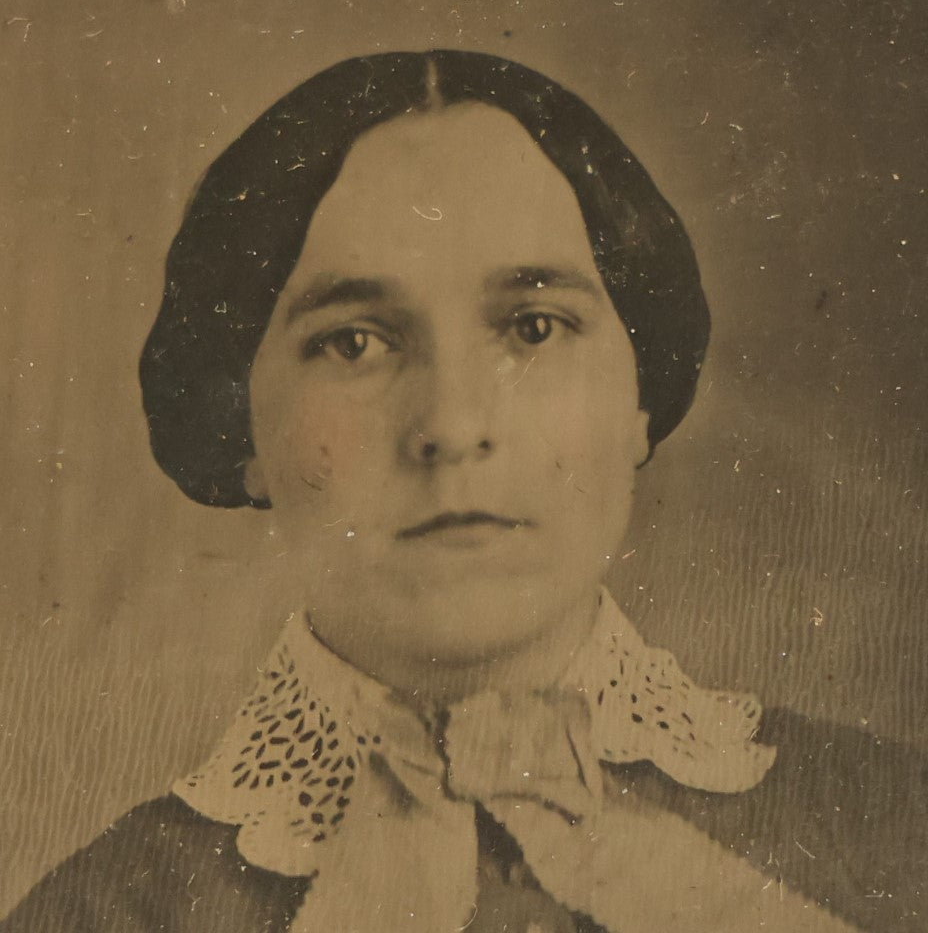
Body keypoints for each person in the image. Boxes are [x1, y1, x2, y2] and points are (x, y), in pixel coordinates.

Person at [2, 51, 925, 932]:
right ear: (243, 422)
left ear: (639, 395)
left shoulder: (888, 829)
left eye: (533, 327)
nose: (450, 424)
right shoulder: (101, 914)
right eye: (355, 343)